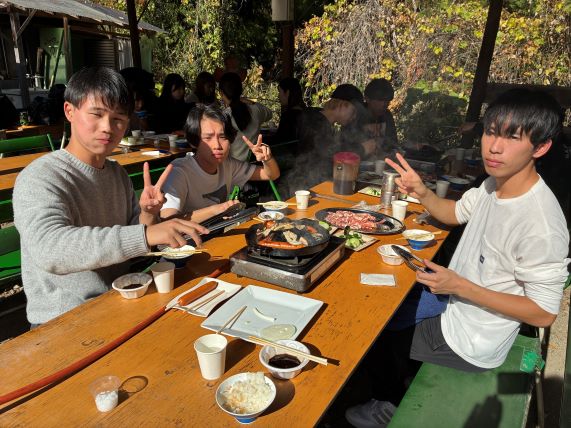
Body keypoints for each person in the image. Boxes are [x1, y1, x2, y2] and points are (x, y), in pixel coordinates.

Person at [345, 88, 570, 427]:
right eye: (491, 132)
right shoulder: (495, 184)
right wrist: (421, 191)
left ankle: (389, 403)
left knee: (371, 332)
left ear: (540, 147)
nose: (494, 147)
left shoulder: (541, 223)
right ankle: (404, 373)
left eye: (512, 137)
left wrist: (460, 286)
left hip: (470, 338)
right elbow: (453, 213)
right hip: (452, 303)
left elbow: (543, 312)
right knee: (380, 301)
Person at [13, 66, 208, 326]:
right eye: (96, 114)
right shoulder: (41, 176)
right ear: (69, 111)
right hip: (62, 321)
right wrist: (145, 235)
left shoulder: (116, 173)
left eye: (118, 119)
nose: (107, 127)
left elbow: (134, 240)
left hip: (120, 301)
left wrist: (148, 215)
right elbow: (49, 249)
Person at [160, 104, 280, 223]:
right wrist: (216, 210)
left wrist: (267, 159)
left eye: (223, 137)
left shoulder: (228, 165)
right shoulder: (179, 171)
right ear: (193, 141)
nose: (217, 145)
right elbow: (167, 221)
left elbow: (272, 174)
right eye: (208, 138)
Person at [278, 83, 364, 198]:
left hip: (309, 184)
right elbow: (325, 156)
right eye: (353, 113)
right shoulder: (314, 123)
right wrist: (362, 148)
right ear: (342, 105)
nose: (353, 118)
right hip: (300, 188)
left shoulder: (318, 119)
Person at [219, 72, 273, 161]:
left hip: (233, 166)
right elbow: (270, 114)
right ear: (241, 90)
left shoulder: (224, 115)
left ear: (221, 93)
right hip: (254, 163)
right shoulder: (256, 109)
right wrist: (251, 102)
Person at [363, 78, 399, 157]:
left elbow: (393, 144)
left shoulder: (387, 116)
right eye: (380, 100)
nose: (384, 104)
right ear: (367, 99)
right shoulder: (356, 116)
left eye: (387, 100)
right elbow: (348, 148)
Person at [275, 77, 306, 142]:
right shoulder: (307, 113)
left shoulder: (288, 116)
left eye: (280, 92)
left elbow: (279, 141)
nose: (278, 96)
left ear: (287, 93)